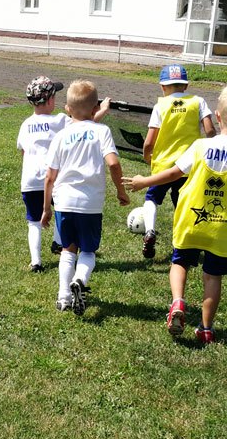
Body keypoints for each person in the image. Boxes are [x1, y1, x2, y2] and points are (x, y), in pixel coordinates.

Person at [123, 83, 227, 344]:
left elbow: (174, 172)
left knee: (179, 263)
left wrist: (145, 181)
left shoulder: (199, 147)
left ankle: (178, 302)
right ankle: (206, 328)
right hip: (223, 227)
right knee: (213, 275)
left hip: (191, 220)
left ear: (218, 116)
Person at [41, 80, 130, 315]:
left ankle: (63, 297)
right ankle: (80, 279)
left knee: (67, 250)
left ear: (67, 109)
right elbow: (113, 163)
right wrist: (120, 191)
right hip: (90, 204)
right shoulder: (102, 131)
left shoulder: (61, 136)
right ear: (96, 108)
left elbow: (49, 177)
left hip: (64, 202)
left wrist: (46, 209)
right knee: (88, 251)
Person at [17, 76, 110, 271]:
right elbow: (85, 125)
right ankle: (59, 243)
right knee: (61, 209)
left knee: (33, 222)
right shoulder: (60, 120)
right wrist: (102, 110)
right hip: (52, 178)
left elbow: (23, 151)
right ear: (50, 100)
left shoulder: (26, 124)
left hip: (30, 180)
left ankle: (36, 262)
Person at [138, 63, 216, 260]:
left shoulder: (160, 106)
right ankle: (183, 243)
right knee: (182, 204)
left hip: (163, 165)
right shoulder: (198, 101)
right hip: (189, 166)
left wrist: (147, 156)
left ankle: (150, 231)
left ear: (162, 87)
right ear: (186, 85)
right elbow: (210, 130)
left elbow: (149, 142)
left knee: (151, 198)